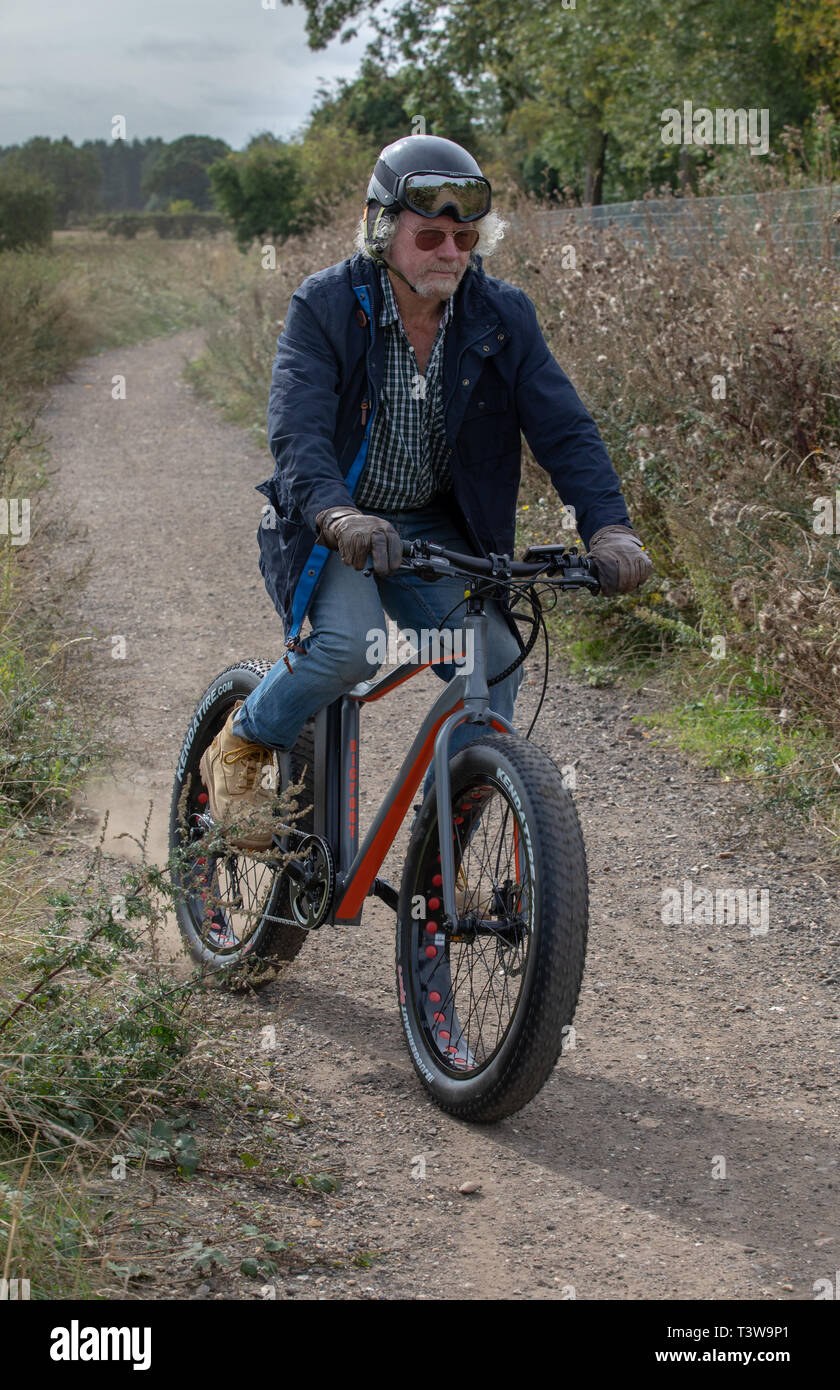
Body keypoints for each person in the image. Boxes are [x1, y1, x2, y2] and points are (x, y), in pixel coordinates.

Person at [200, 133, 652, 849]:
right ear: (383, 230)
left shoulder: (501, 316)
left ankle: (445, 838)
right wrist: (336, 513)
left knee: (493, 658)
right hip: (331, 524)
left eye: (464, 237)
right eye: (431, 235)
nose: (450, 251)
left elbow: (565, 429)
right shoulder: (324, 306)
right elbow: (298, 435)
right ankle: (244, 739)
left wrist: (610, 528)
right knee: (352, 650)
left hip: (432, 529)